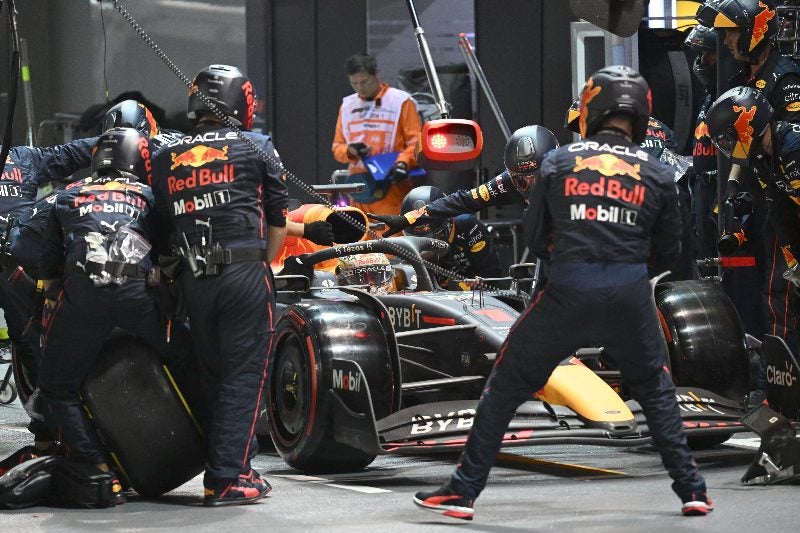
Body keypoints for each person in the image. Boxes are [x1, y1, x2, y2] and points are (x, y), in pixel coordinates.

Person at [413, 66, 710, 521]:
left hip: (567, 291)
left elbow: (535, 239)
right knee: (656, 389)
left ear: (592, 110)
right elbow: (672, 247)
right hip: (629, 292)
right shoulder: (656, 170)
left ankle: (463, 491)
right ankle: (692, 491)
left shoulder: (557, 162)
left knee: (506, 385)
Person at [151, 64, 288, 507]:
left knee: (214, 377)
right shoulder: (257, 144)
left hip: (195, 280)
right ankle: (227, 478)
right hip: (243, 272)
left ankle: (237, 466)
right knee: (245, 376)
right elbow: (278, 220)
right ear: (239, 102)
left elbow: (162, 225)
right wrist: (260, 266)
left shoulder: (165, 156)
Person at [36, 127, 165, 506]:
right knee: (195, 360)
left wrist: (50, 300)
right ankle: (219, 454)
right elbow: (170, 251)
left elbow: (47, 267)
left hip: (84, 297)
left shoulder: (65, 198)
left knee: (56, 384)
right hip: (138, 296)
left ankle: (96, 468)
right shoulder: (150, 196)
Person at [697, 0, 800, 402]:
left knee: (781, 293)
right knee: (764, 291)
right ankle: (772, 382)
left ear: (754, 29)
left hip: (786, 199)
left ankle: (777, 389)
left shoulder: (785, 77)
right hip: (773, 200)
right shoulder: (742, 76)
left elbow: (784, 144)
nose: (724, 39)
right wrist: (734, 193)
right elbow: (753, 151)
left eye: (730, 31)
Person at [706, 86, 800, 344]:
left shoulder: (794, 148)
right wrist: (793, 259)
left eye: (728, 138)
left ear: (747, 125)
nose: (728, 146)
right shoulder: (762, 156)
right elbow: (780, 211)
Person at [369, 125, 559, 237]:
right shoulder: (506, 183)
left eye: (537, 177)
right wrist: (407, 218)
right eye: (521, 180)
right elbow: (462, 200)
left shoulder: (578, 177)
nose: (529, 185)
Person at [332, 53, 422, 215]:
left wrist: (402, 163)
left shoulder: (400, 101)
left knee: (393, 238)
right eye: (355, 83)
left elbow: (416, 142)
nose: (360, 88)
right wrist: (350, 151)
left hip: (393, 185)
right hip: (358, 186)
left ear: (376, 75)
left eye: (364, 82)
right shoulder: (347, 106)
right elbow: (337, 148)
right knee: (360, 239)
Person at [398, 185, 503, 288]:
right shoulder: (406, 246)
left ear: (449, 223)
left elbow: (492, 277)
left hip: (474, 296)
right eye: (418, 239)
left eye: (434, 236)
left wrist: (471, 285)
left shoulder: (468, 227)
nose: (427, 245)